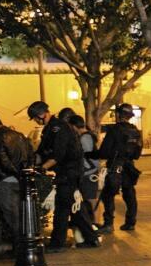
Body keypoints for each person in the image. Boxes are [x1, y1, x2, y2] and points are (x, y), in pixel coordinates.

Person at [28, 101, 101, 252]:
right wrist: (32, 162)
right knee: (75, 208)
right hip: (66, 172)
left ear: (42, 114)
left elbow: (58, 154)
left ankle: (57, 243)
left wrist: (42, 168)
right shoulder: (50, 129)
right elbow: (42, 151)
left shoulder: (59, 128)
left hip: (69, 171)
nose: (35, 120)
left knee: (62, 207)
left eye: (35, 117)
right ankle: (92, 238)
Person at [0, 115, 33, 237]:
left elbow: (2, 161)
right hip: (22, 181)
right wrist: (23, 174)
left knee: (12, 218)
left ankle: (19, 247)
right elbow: (31, 155)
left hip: (5, 181)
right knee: (24, 214)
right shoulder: (20, 135)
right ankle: (28, 243)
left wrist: (15, 172)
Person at [97, 103, 143, 232]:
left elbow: (104, 151)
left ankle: (108, 224)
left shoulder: (114, 130)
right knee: (129, 194)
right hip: (129, 166)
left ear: (118, 114)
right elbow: (137, 154)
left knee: (108, 195)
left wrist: (91, 154)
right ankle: (130, 222)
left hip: (115, 166)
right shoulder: (135, 132)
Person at [67, 114, 102, 216]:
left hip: (88, 172)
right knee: (89, 198)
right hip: (90, 171)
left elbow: (88, 155)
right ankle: (92, 222)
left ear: (74, 126)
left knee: (90, 198)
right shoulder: (88, 135)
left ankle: (93, 222)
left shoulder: (84, 137)